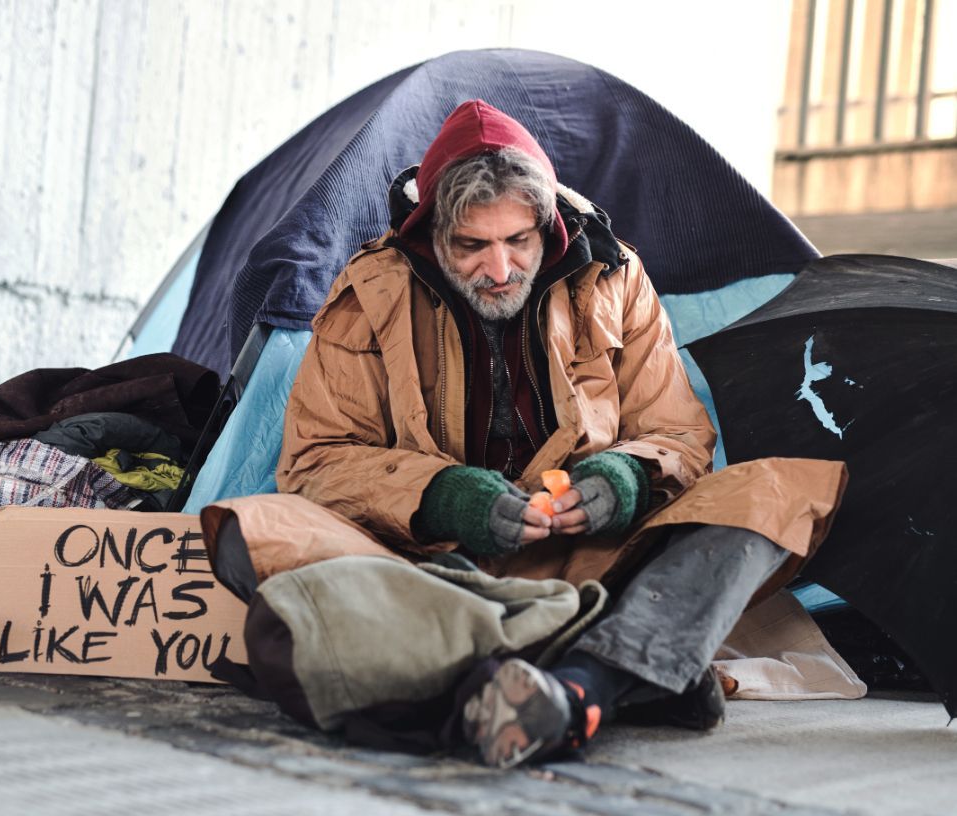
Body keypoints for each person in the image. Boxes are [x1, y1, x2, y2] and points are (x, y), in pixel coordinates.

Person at [274, 99, 845, 768]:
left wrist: (624, 479)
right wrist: (443, 495)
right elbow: (314, 463)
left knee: (775, 489)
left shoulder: (614, 277)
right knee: (259, 530)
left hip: (594, 557)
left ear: (547, 226)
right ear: (432, 234)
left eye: (519, 241)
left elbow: (679, 435)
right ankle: (627, 675)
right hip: (435, 563)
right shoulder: (371, 292)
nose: (499, 269)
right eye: (472, 246)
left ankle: (573, 689)